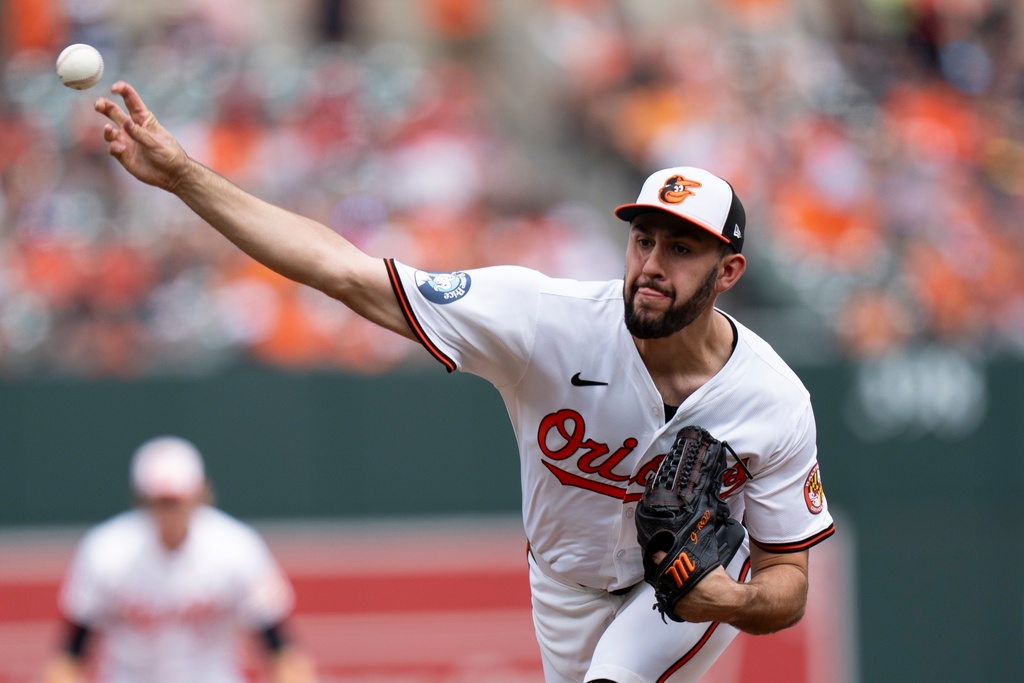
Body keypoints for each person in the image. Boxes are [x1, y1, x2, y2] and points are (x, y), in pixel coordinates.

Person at [90, 81, 835, 683]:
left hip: (682, 589)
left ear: (728, 272)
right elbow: (344, 273)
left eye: (681, 248)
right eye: (643, 238)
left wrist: (728, 598)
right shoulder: (546, 320)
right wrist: (185, 177)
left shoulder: (770, 398)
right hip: (561, 585)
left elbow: (788, 582)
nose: (651, 264)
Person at [42, 435, 318, 683]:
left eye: (177, 501)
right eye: (161, 502)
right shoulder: (106, 552)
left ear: (201, 495)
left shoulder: (236, 548)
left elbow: (280, 650)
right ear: (142, 500)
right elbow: (71, 655)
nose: (169, 513)